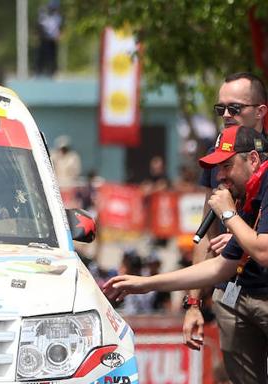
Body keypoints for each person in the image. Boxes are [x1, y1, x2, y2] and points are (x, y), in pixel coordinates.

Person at [104, 125, 268, 384]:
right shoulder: (247, 195)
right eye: (218, 169)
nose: (220, 177)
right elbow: (220, 267)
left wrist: (228, 214)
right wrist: (145, 284)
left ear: (253, 159)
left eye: (227, 166)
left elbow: (263, 252)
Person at [183, 72, 268, 354]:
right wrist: (193, 303)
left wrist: (237, 234)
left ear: (260, 111)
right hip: (233, 291)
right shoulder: (217, 153)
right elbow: (207, 234)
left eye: (235, 108)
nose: (227, 115)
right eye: (221, 109)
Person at [35, 0, 63, 76]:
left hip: (52, 40)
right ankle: (39, 71)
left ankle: (52, 71)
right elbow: (39, 26)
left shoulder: (58, 17)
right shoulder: (43, 15)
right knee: (41, 55)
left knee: (52, 56)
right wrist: (40, 35)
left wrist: (58, 35)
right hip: (44, 39)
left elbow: (60, 27)